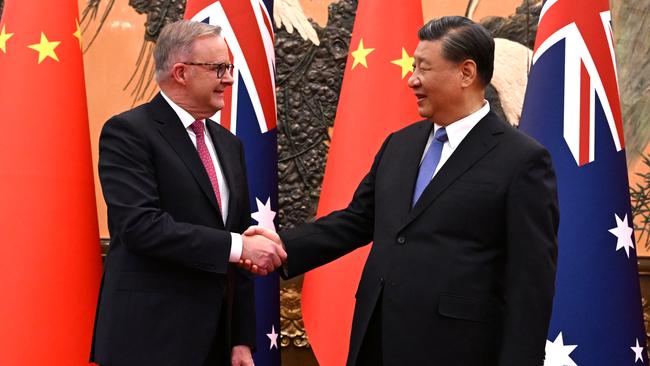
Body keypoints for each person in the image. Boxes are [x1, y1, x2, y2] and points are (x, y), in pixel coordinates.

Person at [245, 16, 558, 365]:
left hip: (458, 351)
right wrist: (283, 247)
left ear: (466, 73)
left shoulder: (522, 160)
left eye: (423, 68)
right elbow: (356, 221)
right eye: (413, 67)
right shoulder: (400, 144)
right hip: (376, 340)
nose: (412, 80)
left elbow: (531, 285)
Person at [90, 20, 286, 366]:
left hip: (214, 342)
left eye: (229, 68)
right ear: (181, 72)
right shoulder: (128, 133)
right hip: (148, 340)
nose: (229, 78)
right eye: (219, 68)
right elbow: (141, 227)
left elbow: (238, 248)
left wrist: (240, 340)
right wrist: (239, 246)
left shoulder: (229, 145)